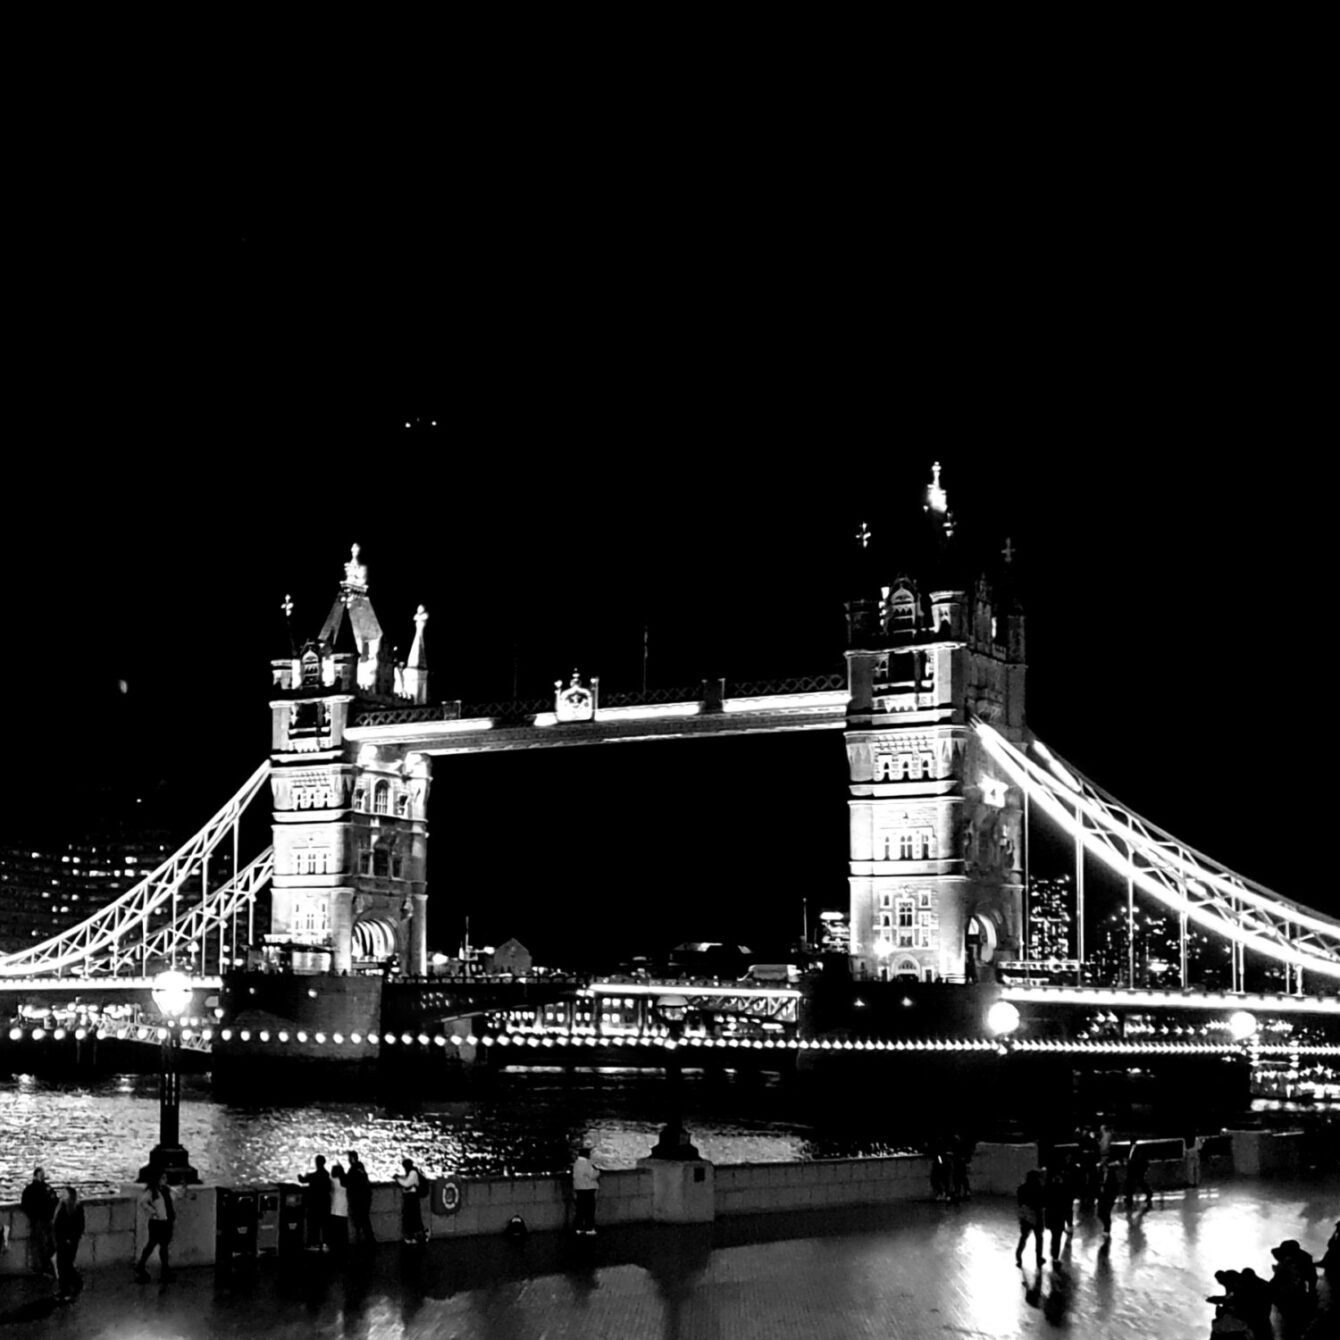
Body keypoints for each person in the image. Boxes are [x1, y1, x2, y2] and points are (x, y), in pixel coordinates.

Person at [134, 1171, 175, 1282]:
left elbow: (175, 1197)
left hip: (166, 1221)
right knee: (153, 1244)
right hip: (157, 1222)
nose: (165, 1180)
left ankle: (164, 1269)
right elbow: (143, 1202)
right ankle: (142, 1265)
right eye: (163, 1178)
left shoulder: (166, 1190)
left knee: (163, 1245)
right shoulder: (152, 1192)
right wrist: (153, 1212)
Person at [20, 1166, 57, 1277]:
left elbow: (55, 1200)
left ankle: (45, 1267)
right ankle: (43, 1267)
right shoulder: (40, 1189)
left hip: (44, 1219)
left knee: (46, 1244)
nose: (42, 1176)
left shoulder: (37, 1189)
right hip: (40, 1220)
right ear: (36, 1176)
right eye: (41, 1175)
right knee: (42, 1244)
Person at [51, 1186, 85, 1300]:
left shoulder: (75, 1208)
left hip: (69, 1242)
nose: (61, 1194)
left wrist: (71, 1238)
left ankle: (72, 1286)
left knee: (66, 1265)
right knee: (62, 1265)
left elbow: (79, 1225)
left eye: (64, 1192)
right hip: (61, 1240)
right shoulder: (61, 1206)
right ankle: (65, 1289)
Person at [298, 1155, 332, 1252]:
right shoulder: (326, 1174)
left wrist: (300, 1174)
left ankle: (314, 1244)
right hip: (325, 1204)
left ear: (316, 1163)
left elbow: (301, 1180)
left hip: (314, 1205)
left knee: (314, 1226)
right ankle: (326, 1245)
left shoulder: (313, 1176)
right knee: (325, 1226)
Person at [1014, 1170, 1044, 1267]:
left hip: (1025, 1215)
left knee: (1024, 1236)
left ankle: (1018, 1255)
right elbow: (1043, 1203)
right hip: (1037, 1215)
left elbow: (1019, 1202)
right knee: (1039, 1237)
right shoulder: (1039, 1188)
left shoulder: (1021, 1188)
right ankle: (1039, 1258)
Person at [393, 1157, 426, 1244]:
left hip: (412, 1198)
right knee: (412, 1217)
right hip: (411, 1198)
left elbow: (407, 1183)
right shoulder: (412, 1172)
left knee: (412, 1217)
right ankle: (415, 1236)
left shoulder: (412, 1173)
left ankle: (417, 1237)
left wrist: (397, 1178)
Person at [345, 1151, 375, 1246]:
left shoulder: (354, 1169)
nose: (348, 1160)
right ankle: (368, 1240)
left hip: (358, 1199)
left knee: (361, 1220)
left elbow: (348, 1181)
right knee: (364, 1220)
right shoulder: (360, 1168)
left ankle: (364, 1240)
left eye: (350, 1158)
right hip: (364, 1197)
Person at [1042, 1167, 1070, 1263]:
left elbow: (1044, 1202)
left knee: (1054, 1235)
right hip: (1059, 1216)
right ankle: (1055, 1256)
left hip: (1050, 1215)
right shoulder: (1064, 1189)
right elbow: (1067, 1206)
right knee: (1057, 1237)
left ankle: (1052, 1253)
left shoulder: (1047, 1188)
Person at [572, 1145, 600, 1236]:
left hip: (578, 1188)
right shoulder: (587, 1163)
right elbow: (592, 1175)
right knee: (589, 1209)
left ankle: (578, 1227)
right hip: (588, 1188)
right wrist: (598, 1171)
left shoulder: (576, 1163)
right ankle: (589, 1227)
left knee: (580, 1209)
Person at [328, 1163, 349, 1257]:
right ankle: (344, 1250)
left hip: (334, 1209)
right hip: (344, 1209)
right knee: (343, 1232)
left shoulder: (333, 1181)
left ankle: (336, 1250)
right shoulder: (345, 1181)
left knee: (335, 1232)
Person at [1125, 1139, 1152, 1210]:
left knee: (1136, 1182)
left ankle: (1130, 1199)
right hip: (1133, 1168)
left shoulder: (1137, 1149)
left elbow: (1139, 1159)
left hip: (1136, 1168)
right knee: (1137, 1182)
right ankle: (1129, 1198)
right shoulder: (1133, 1149)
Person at [1096, 1164, 1120, 1240]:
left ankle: (1107, 1229)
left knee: (1106, 1213)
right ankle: (1107, 1226)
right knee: (1100, 1213)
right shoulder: (1099, 1175)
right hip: (1102, 1197)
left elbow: (1115, 1186)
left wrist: (1113, 1197)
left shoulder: (1112, 1175)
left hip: (1109, 1197)